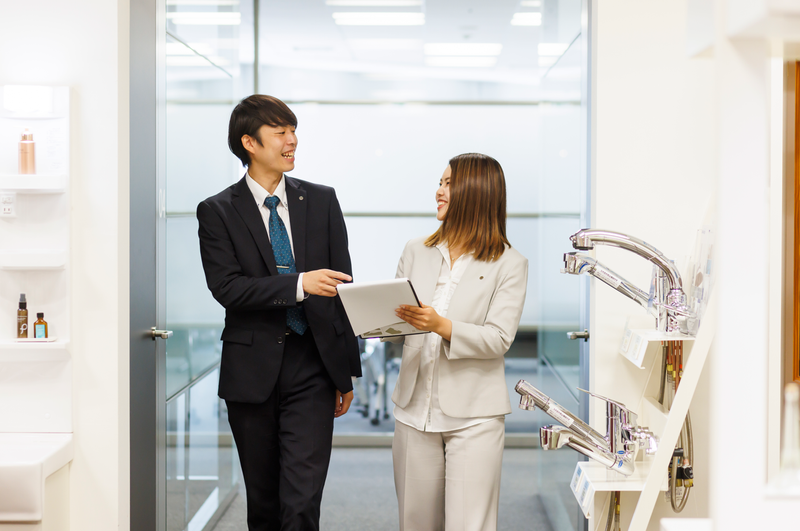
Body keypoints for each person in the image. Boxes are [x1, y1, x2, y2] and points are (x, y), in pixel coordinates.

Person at [196, 94, 361, 531]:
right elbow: (227, 288)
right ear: (249, 142)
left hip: (313, 365)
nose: (292, 140)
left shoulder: (322, 201)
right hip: (252, 371)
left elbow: (340, 289)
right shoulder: (217, 211)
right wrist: (298, 284)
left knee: (303, 502)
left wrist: (345, 371)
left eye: (293, 131)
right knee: (265, 503)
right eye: (281, 132)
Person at [390, 153, 529, 531]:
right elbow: (396, 321)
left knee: (471, 525)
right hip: (414, 410)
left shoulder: (509, 263)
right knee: (415, 522)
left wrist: (441, 325)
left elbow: (498, 338)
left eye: (449, 183)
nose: (439, 191)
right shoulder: (414, 249)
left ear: (475, 192)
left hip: (474, 417)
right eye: (440, 181)